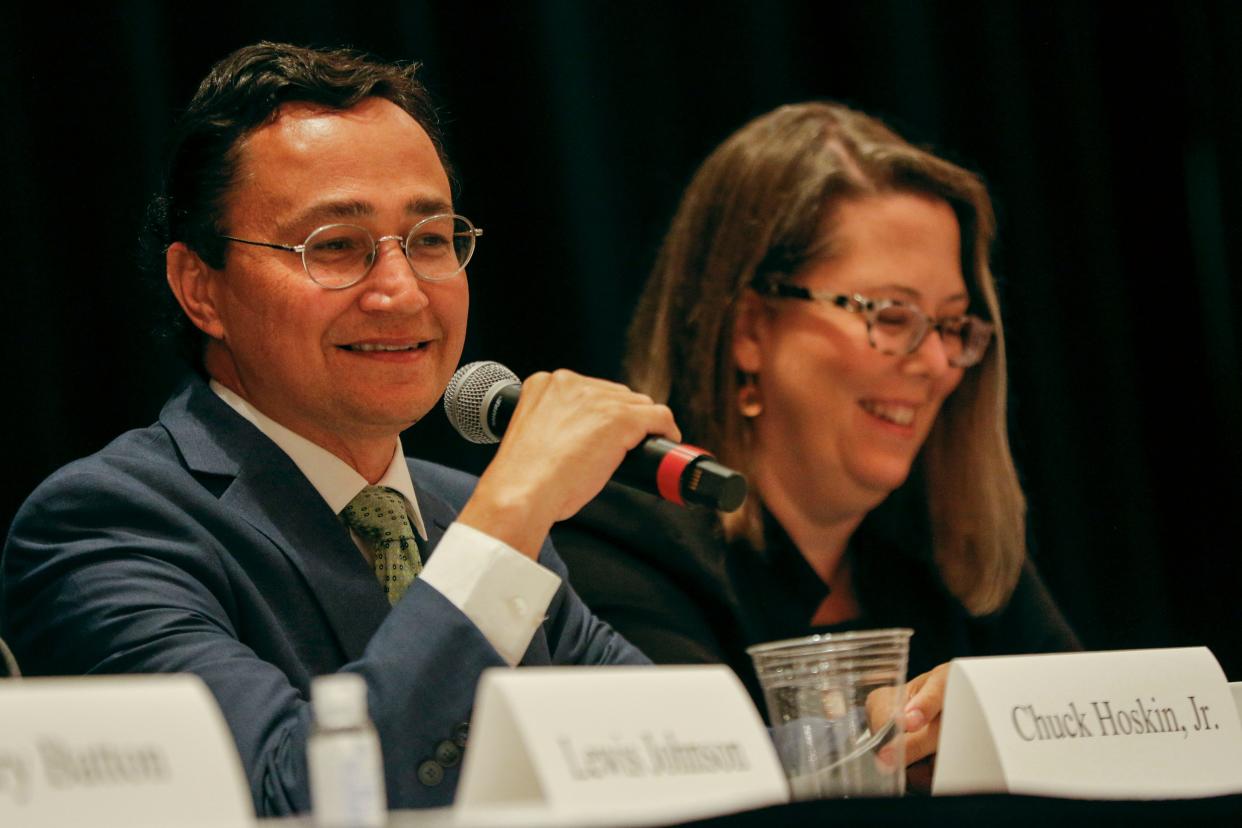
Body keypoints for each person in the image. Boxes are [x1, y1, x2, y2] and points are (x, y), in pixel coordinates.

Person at [0, 42, 679, 815]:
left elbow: (666, 762)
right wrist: (509, 517)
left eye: (429, 240)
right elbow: (293, 800)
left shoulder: (462, 513)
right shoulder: (107, 525)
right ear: (200, 288)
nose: (401, 291)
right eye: (335, 247)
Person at [552, 102, 1080, 787]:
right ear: (749, 329)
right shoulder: (620, 546)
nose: (937, 363)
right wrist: (883, 748)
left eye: (952, 325)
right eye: (891, 315)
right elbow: (695, 789)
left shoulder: (952, 552)